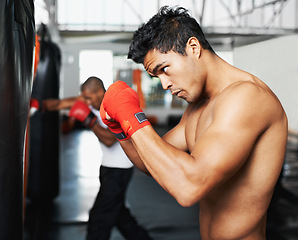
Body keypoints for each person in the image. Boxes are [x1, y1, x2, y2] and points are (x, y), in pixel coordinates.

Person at [100, 6, 288, 240]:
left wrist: (133, 118)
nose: (165, 84)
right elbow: (152, 162)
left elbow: (189, 188)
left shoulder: (247, 97)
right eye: (157, 76)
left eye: (164, 69)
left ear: (193, 47)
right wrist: (119, 128)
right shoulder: (199, 106)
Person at [30, 76, 152, 240]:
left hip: (120, 171)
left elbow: (109, 140)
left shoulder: (115, 107)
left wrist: (89, 120)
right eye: (84, 97)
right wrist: (37, 104)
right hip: (107, 168)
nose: (86, 101)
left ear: (100, 92)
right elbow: (59, 104)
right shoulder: (88, 100)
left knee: (99, 217)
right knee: (118, 214)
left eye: (88, 97)